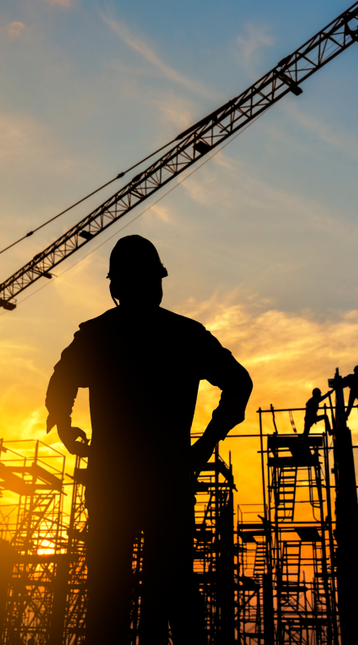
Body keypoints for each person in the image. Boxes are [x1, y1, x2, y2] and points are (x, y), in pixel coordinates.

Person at [45, 235, 252, 645]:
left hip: (113, 484)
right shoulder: (185, 335)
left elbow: (60, 383)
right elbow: (239, 384)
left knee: (108, 596)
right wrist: (206, 444)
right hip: (168, 482)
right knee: (174, 590)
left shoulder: (98, 335)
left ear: (114, 286)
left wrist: (66, 430)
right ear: (157, 282)